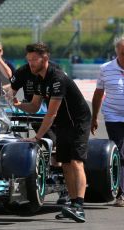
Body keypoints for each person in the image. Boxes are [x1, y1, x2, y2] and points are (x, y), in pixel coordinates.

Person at [13, 42, 91, 223]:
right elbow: (34, 106)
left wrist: (38, 136)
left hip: (78, 121)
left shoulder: (57, 78)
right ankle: (72, 204)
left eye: (34, 60)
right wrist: (18, 105)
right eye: (28, 60)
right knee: (64, 163)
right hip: (63, 122)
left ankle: (79, 207)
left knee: (76, 161)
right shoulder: (38, 79)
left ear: (45, 59)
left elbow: (51, 113)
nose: (30, 63)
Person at [91, 36, 124, 207]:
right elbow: (98, 94)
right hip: (114, 117)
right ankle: (121, 194)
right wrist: (94, 117)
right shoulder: (106, 69)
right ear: (117, 52)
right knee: (120, 153)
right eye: (123, 53)